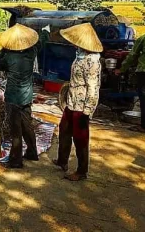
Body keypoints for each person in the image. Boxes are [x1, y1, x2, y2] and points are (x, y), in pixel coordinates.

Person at [53, 23, 103, 181]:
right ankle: (62, 160)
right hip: (72, 101)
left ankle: (82, 171)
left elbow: (93, 88)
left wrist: (87, 110)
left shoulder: (92, 61)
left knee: (80, 137)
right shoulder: (79, 55)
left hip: (82, 105)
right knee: (64, 129)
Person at [0, 24, 40, 168]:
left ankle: (16, 160)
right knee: (27, 124)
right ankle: (32, 152)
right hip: (26, 95)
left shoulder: (8, 57)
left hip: (13, 96)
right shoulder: (32, 52)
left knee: (15, 129)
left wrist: (2, 50)